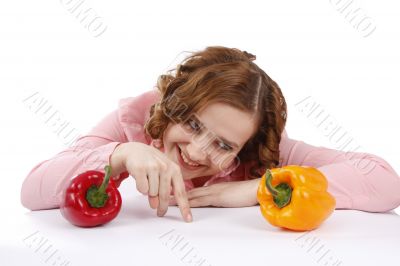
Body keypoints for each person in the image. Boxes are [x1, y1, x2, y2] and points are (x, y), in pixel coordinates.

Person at [20, 46, 400, 223]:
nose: (197, 151)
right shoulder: (135, 120)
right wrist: (121, 153)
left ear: (246, 147)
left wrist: (256, 188)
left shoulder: (262, 154)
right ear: (171, 105)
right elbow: (32, 190)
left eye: (223, 145)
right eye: (193, 124)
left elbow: (384, 182)